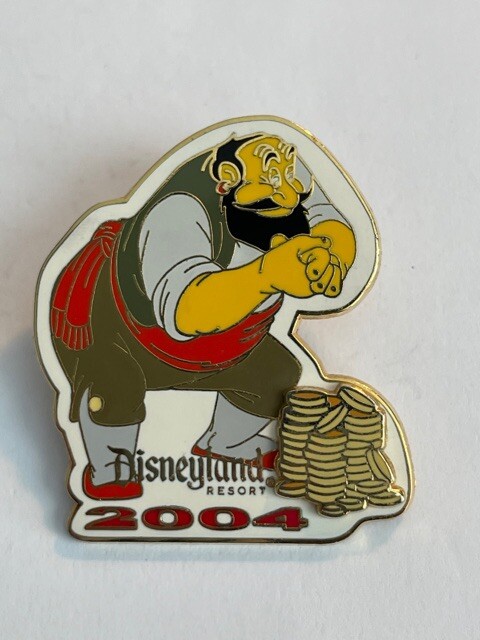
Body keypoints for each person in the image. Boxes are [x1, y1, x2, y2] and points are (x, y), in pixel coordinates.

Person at [50, 133, 356, 499]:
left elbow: (328, 218)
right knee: (113, 387)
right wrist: (267, 275)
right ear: (227, 181)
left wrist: (329, 255)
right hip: (123, 333)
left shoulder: (280, 169)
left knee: (276, 373)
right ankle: (109, 471)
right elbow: (186, 312)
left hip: (226, 345)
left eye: (292, 190)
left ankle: (225, 444)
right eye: (269, 201)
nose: (290, 203)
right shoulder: (179, 209)